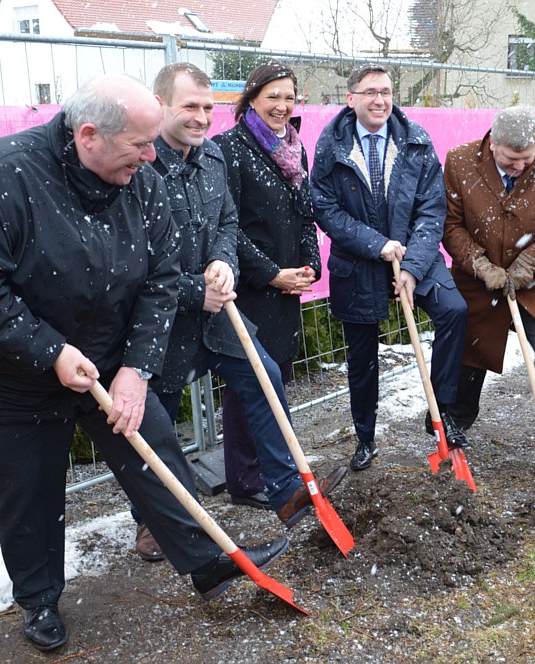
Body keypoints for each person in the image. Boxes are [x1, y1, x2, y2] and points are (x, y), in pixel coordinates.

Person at [0, 74, 289, 653]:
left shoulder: (141, 183)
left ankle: (206, 562)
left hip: (107, 358)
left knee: (155, 451)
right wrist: (50, 351)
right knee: (28, 490)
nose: (151, 157)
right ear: (89, 135)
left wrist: (136, 370)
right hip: (8, 376)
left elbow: (163, 278)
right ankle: (40, 600)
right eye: (139, 145)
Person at [147, 62, 346, 558]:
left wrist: (221, 260)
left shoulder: (212, 157)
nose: (199, 117)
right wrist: (196, 288)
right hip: (162, 318)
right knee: (159, 420)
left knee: (265, 379)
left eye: (207, 107)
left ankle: (283, 490)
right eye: (189, 106)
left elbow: (226, 223)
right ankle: (153, 520)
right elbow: (137, 257)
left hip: (218, 311)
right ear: (161, 107)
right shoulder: (141, 165)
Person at [310, 63, 470, 471]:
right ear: (351, 99)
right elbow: (325, 210)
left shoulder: (416, 141)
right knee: (362, 357)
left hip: (416, 254)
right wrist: (377, 245)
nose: (379, 100)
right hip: (359, 262)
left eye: (385, 91)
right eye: (369, 92)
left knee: (455, 311)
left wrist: (413, 266)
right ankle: (365, 437)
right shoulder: (330, 146)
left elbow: (433, 209)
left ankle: (441, 412)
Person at [441, 105, 535, 474]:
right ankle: (454, 427)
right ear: (493, 143)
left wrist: (531, 260)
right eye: (512, 159)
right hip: (481, 281)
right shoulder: (460, 162)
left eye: (528, 159)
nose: (520, 167)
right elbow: (450, 224)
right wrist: (479, 263)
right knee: (471, 350)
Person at [212, 61, 321, 507]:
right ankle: (244, 478)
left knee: (276, 373)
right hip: (250, 286)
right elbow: (228, 226)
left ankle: (275, 466)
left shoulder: (295, 147)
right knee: (250, 383)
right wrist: (271, 274)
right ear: (252, 97)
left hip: (287, 284)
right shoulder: (229, 148)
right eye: (273, 95)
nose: (281, 105)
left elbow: (303, 212)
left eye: (289, 96)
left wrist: (309, 265)